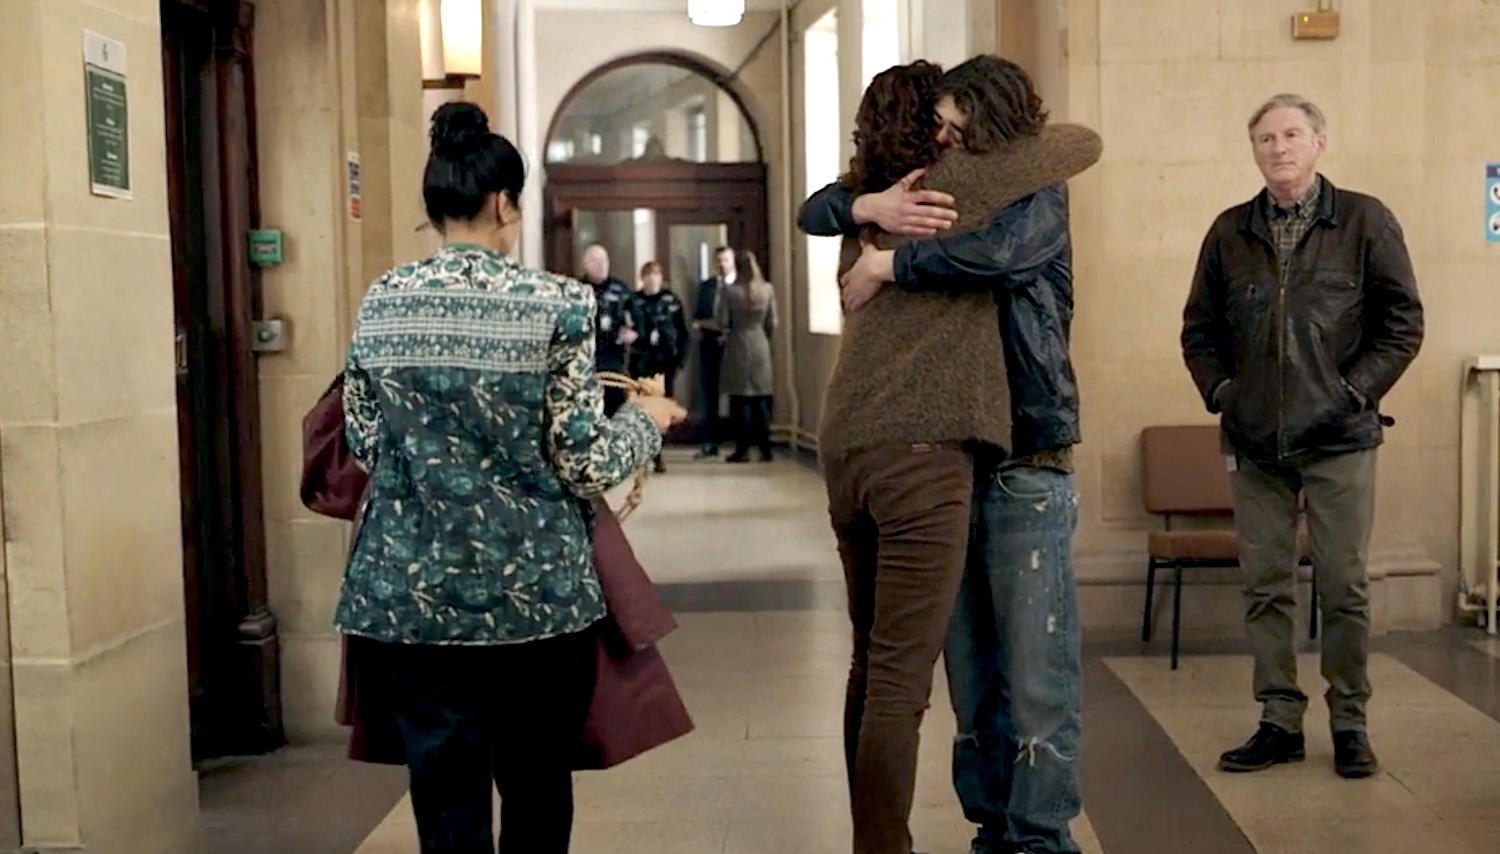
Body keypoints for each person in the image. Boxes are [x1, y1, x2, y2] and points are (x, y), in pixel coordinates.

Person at [339, 102, 685, 854]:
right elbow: (581, 460)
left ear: (434, 208)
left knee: (444, 796)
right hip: (534, 599)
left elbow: (365, 444)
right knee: (535, 787)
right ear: (502, 202)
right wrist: (646, 420)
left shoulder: (382, 300)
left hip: (412, 600)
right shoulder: (558, 303)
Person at [799, 59, 1101, 854]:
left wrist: (879, 243)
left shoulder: (982, 195)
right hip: (936, 451)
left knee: (1002, 672)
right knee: (944, 675)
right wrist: (868, 207)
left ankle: (1031, 838)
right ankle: (989, 830)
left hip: (1013, 445)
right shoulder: (932, 193)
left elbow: (1032, 208)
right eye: (936, 122)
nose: (943, 135)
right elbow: (1078, 140)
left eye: (957, 121)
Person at [1181, 93, 1423, 779]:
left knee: (1344, 584)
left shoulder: (1365, 221)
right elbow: (1199, 332)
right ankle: (1279, 719)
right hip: (1255, 444)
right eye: (1264, 138)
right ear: (1253, 151)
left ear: (1319, 143)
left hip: (1341, 437)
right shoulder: (1230, 232)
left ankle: (1350, 720)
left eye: (1291, 134)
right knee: (1264, 585)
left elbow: (1402, 321)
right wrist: (1226, 394)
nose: (1278, 147)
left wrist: (1352, 392)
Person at [715, 250, 778, 462]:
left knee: (739, 397)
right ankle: (765, 447)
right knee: (760, 397)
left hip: (737, 344)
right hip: (760, 344)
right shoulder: (767, 290)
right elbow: (772, 323)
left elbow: (722, 321)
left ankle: (742, 449)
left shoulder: (730, 292)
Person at [631, 260, 690, 472]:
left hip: (665, 364)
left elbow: (683, 332)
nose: (652, 278)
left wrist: (681, 360)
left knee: (662, 412)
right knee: (643, 410)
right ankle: (646, 452)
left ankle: (659, 453)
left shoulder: (671, 300)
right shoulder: (634, 301)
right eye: (648, 275)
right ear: (642, 278)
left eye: (656, 274)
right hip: (641, 365)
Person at [580, 243, 639, 415]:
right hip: (586, 359)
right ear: (586, 264)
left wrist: (631, 334)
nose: (602, 265)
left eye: (604, 260)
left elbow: (637, 322)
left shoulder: (621, 290)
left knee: (614, 406)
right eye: (596, 261)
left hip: (614, 360)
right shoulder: (577, 289)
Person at [693, 247, 736, 456]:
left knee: (736, 394)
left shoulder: (739, 286)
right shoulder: (706, 287)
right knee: (710, 395)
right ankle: (710, 441)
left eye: (726, 260)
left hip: (734, 348)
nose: (722, 265)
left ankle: (739, 441)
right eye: (718, 261)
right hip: (710, 346)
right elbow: (698, 317)